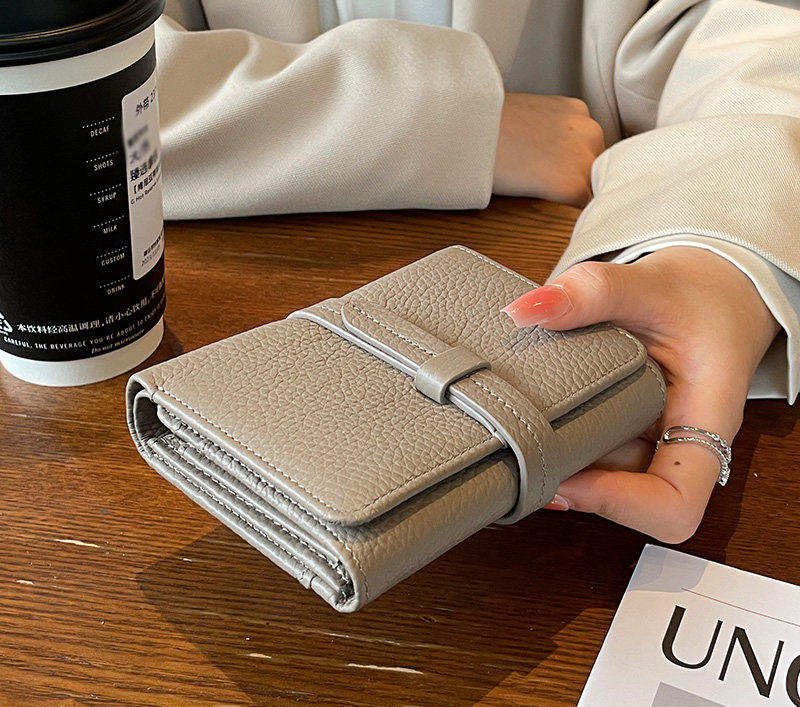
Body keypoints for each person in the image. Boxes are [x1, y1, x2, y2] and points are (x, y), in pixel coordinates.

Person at [157, 0, 800, 543]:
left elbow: (753, 28)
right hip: (199, 289)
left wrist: (720, 250)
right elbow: (111, 68)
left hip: (585, 270)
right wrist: (456, 122)